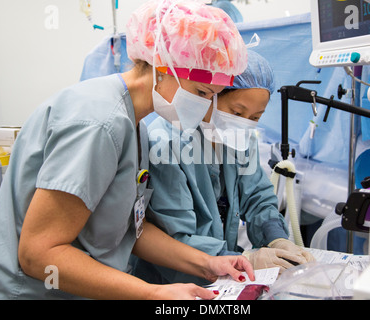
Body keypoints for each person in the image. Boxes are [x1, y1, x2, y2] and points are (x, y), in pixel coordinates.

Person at [0, 0, 255, 300]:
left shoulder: (136, 128)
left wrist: (208, 263)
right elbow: (38, 254)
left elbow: (130, 231)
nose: (206, 109)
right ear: (163, 65)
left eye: (213, 97)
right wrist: (153, 294)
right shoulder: (99, 123)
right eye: (201, 93)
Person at [132, 50, 315, 285]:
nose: (245, 123)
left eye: (256, 117)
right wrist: (243, 258)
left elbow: (257, 197)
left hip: (223, 274)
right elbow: (174, 236)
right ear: (211, 96)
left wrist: (277, 239)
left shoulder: (240, 139)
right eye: (237, 113)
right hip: (171, 281)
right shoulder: (166, 144)